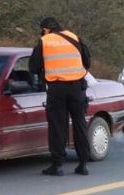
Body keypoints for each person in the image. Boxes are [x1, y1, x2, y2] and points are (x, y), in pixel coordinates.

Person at [29, 17, 92, 176]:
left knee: (58, 126)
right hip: (77, 87)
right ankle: (83, 164)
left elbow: (33, 67)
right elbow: (87, 61)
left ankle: (57, 165)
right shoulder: (74, 37)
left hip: (57, 88)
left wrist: (44, 70)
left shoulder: (45, 40)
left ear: (46, 29)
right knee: (79, 124)